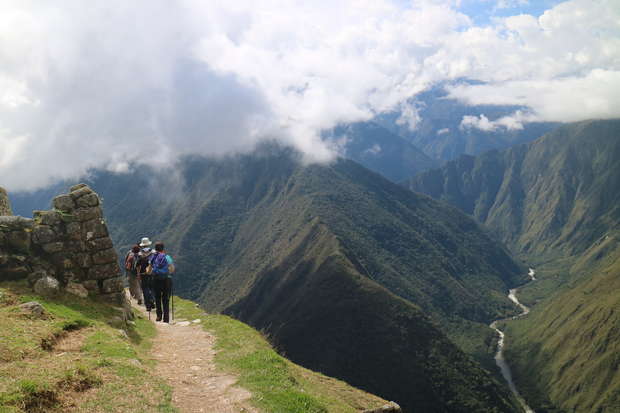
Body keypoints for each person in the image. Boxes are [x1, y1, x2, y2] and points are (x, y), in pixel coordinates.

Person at [150, 241, 174, 323]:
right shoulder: (167, 257)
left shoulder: (153, 257)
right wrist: (167, 273)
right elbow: (172, 269)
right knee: (166, 299)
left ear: (155, 249)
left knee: (157, 298)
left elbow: (149, 269)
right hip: (167, 280)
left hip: (156, 280)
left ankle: (158, 316)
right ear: (163, 249)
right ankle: (166, 319)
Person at [137, 237, 155, 311]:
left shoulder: (140, 254)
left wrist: (138, 274)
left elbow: (137, 265)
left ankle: (148, 306)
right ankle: (152, 300)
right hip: (152, 273)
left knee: (145, 289)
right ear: (148, 244)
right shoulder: (153, 252)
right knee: (152, 288)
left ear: (142, 245)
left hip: (143, 274)